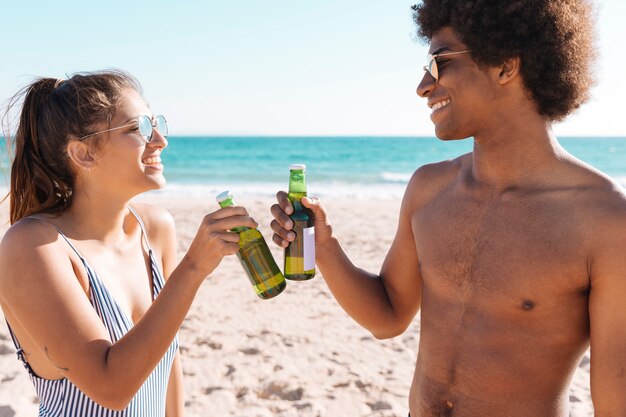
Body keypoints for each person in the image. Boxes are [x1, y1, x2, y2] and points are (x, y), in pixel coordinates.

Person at [270, 1, 626, 416]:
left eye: (440, 63)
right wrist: (324, 246)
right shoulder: (429, 189)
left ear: (505, 66)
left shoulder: (604, 222)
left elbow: (615, 398)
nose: (423, 85)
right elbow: (387, 318)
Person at [0, 71, 258, 416]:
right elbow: (111, 387)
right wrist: (193, 268)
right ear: (84, 153)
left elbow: (168, 357)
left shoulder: (154, 228)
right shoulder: (33, 246)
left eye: (157, 124)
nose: (160, 141)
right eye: (140, 129)